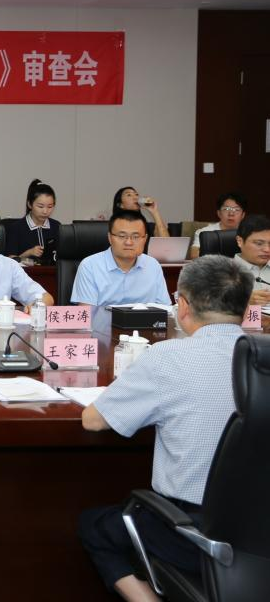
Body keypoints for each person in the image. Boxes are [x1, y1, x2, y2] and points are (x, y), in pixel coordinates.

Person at [78, 256, 253, 601]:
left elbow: (93, 420)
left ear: (183, 306)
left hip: (192, 534)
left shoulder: (168, 357)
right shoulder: (262, 360)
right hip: (258, 535)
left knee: (95, 526)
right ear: (245, 310)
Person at [71, 210, 170, 309]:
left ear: (145, 239)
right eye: (122, 236)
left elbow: (165, 309)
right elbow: (87, 313)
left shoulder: (153, 265)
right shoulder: (90, 266)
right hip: (103, 320)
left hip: (145, 320)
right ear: (110, 238)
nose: (129, 242)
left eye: (135, 237)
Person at [0, 179, 61, 264]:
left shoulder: (57, 226)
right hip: (25, 271)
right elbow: (9, 261)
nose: (45, 211)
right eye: (40, 206)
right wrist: (28, 253)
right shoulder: (16, 228)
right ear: (29, 204)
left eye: (50, 207)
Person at [187, 191, 247, 259]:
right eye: (226, 209)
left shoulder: (249, 233)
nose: (231, 214)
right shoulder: (205, 232)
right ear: (219, 213)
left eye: (236, 209)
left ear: (243, 215)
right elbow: (194, 255)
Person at [233, 214, 270, 306]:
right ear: (240, 241)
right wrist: (243, 301)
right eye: (259, 243)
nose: (267, 249)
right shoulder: (221, 272)